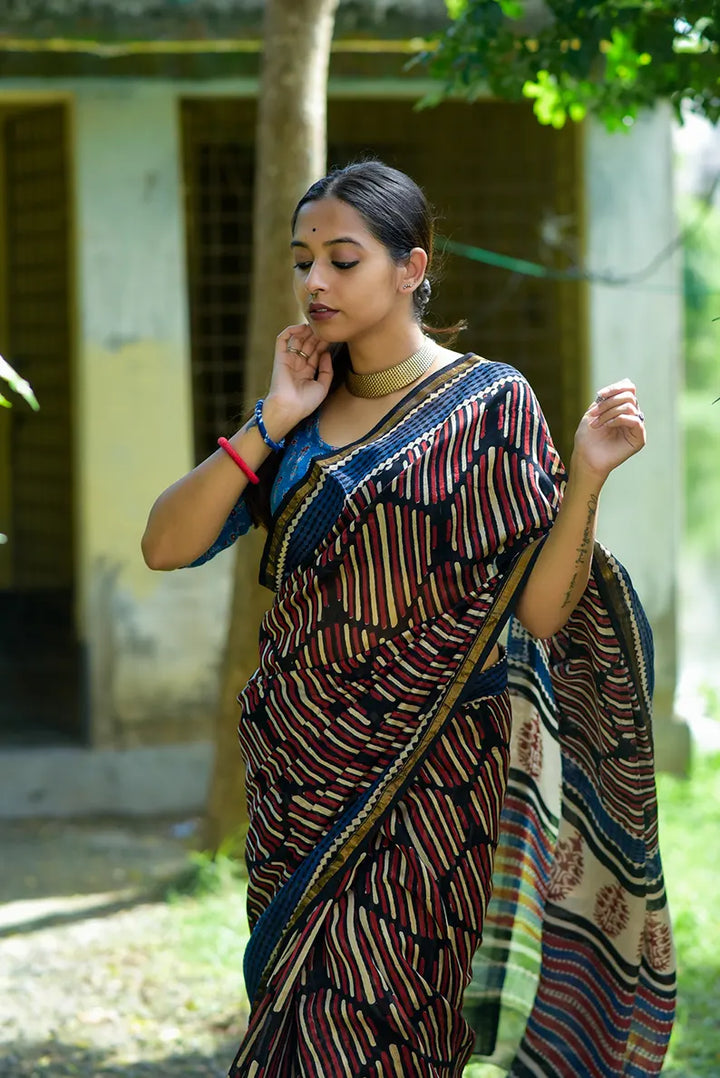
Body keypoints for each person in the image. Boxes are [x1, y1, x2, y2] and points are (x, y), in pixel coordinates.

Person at [142, 161, 675, 1077]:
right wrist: (272, 416)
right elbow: (164, 543)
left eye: (342, 259)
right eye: (303, 258)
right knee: (295, 1026)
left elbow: (541, 613)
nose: (315, 281)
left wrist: (584, 477)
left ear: (410, 267)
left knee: (387, 1033)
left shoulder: (491, 406)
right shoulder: (299, 417)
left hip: (431, 786)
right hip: (298, 773)